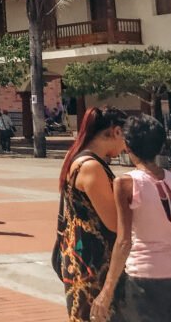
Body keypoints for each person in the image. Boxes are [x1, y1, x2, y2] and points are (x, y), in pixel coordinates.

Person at [90, 115, 171, 322]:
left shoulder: (125, 184)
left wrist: (107, 291)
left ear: (128, 146)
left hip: (145, 278)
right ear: (161, 146)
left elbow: (124, 241)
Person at [55, 106, 127, 322]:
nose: (126, 146)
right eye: (125, 137)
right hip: (93, 261)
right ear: (116, 131)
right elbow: (114, 223)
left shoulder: (76, 157)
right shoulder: (91, 167)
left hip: (80, 252)